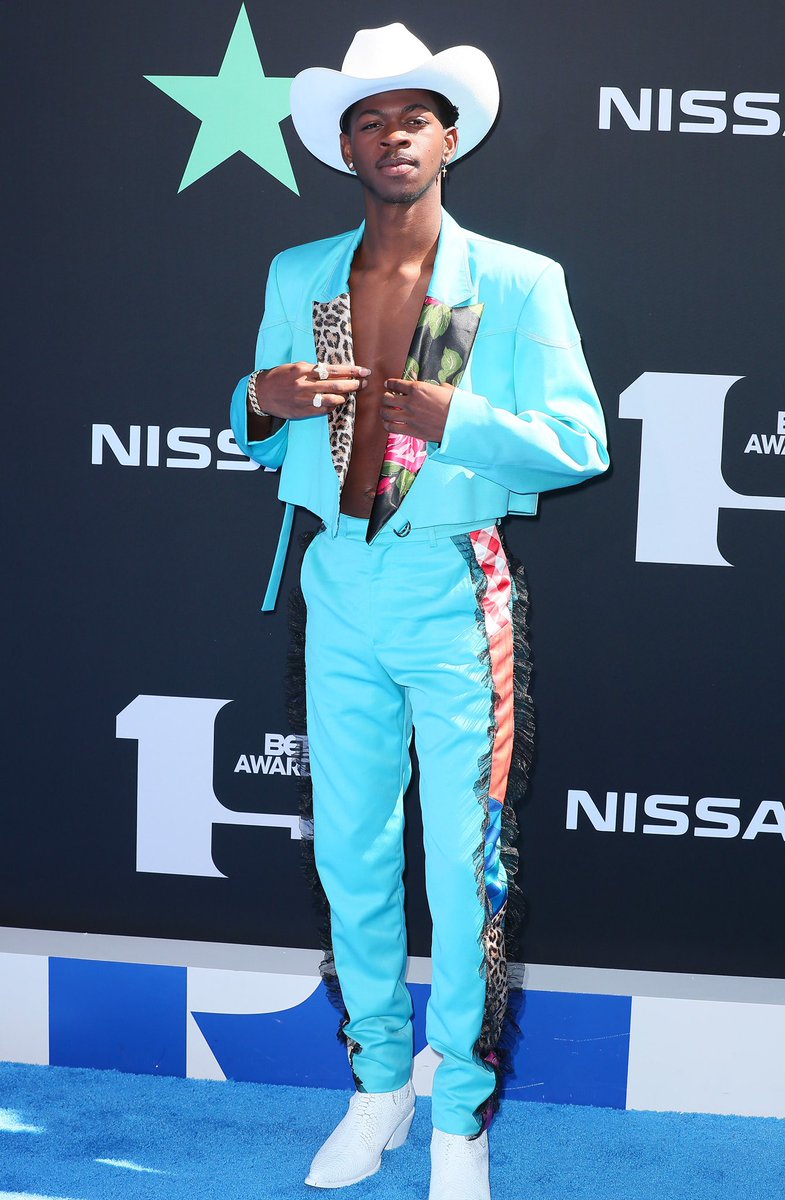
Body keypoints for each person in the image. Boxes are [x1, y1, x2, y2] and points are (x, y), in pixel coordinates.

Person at [230, 22, 609, 1200]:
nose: (392, 136)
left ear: (450, 140)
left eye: (414, 118)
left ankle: (458, 1120)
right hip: (336, 580)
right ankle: (377, 1087)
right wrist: (261, 398)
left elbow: (579, 443)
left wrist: (458, 421)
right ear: (343, 147)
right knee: (349, 854)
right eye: (368, 121)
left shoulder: (513, 279)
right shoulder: (300, 276)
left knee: (462, 864)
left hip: (453, 584)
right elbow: (260, 436)